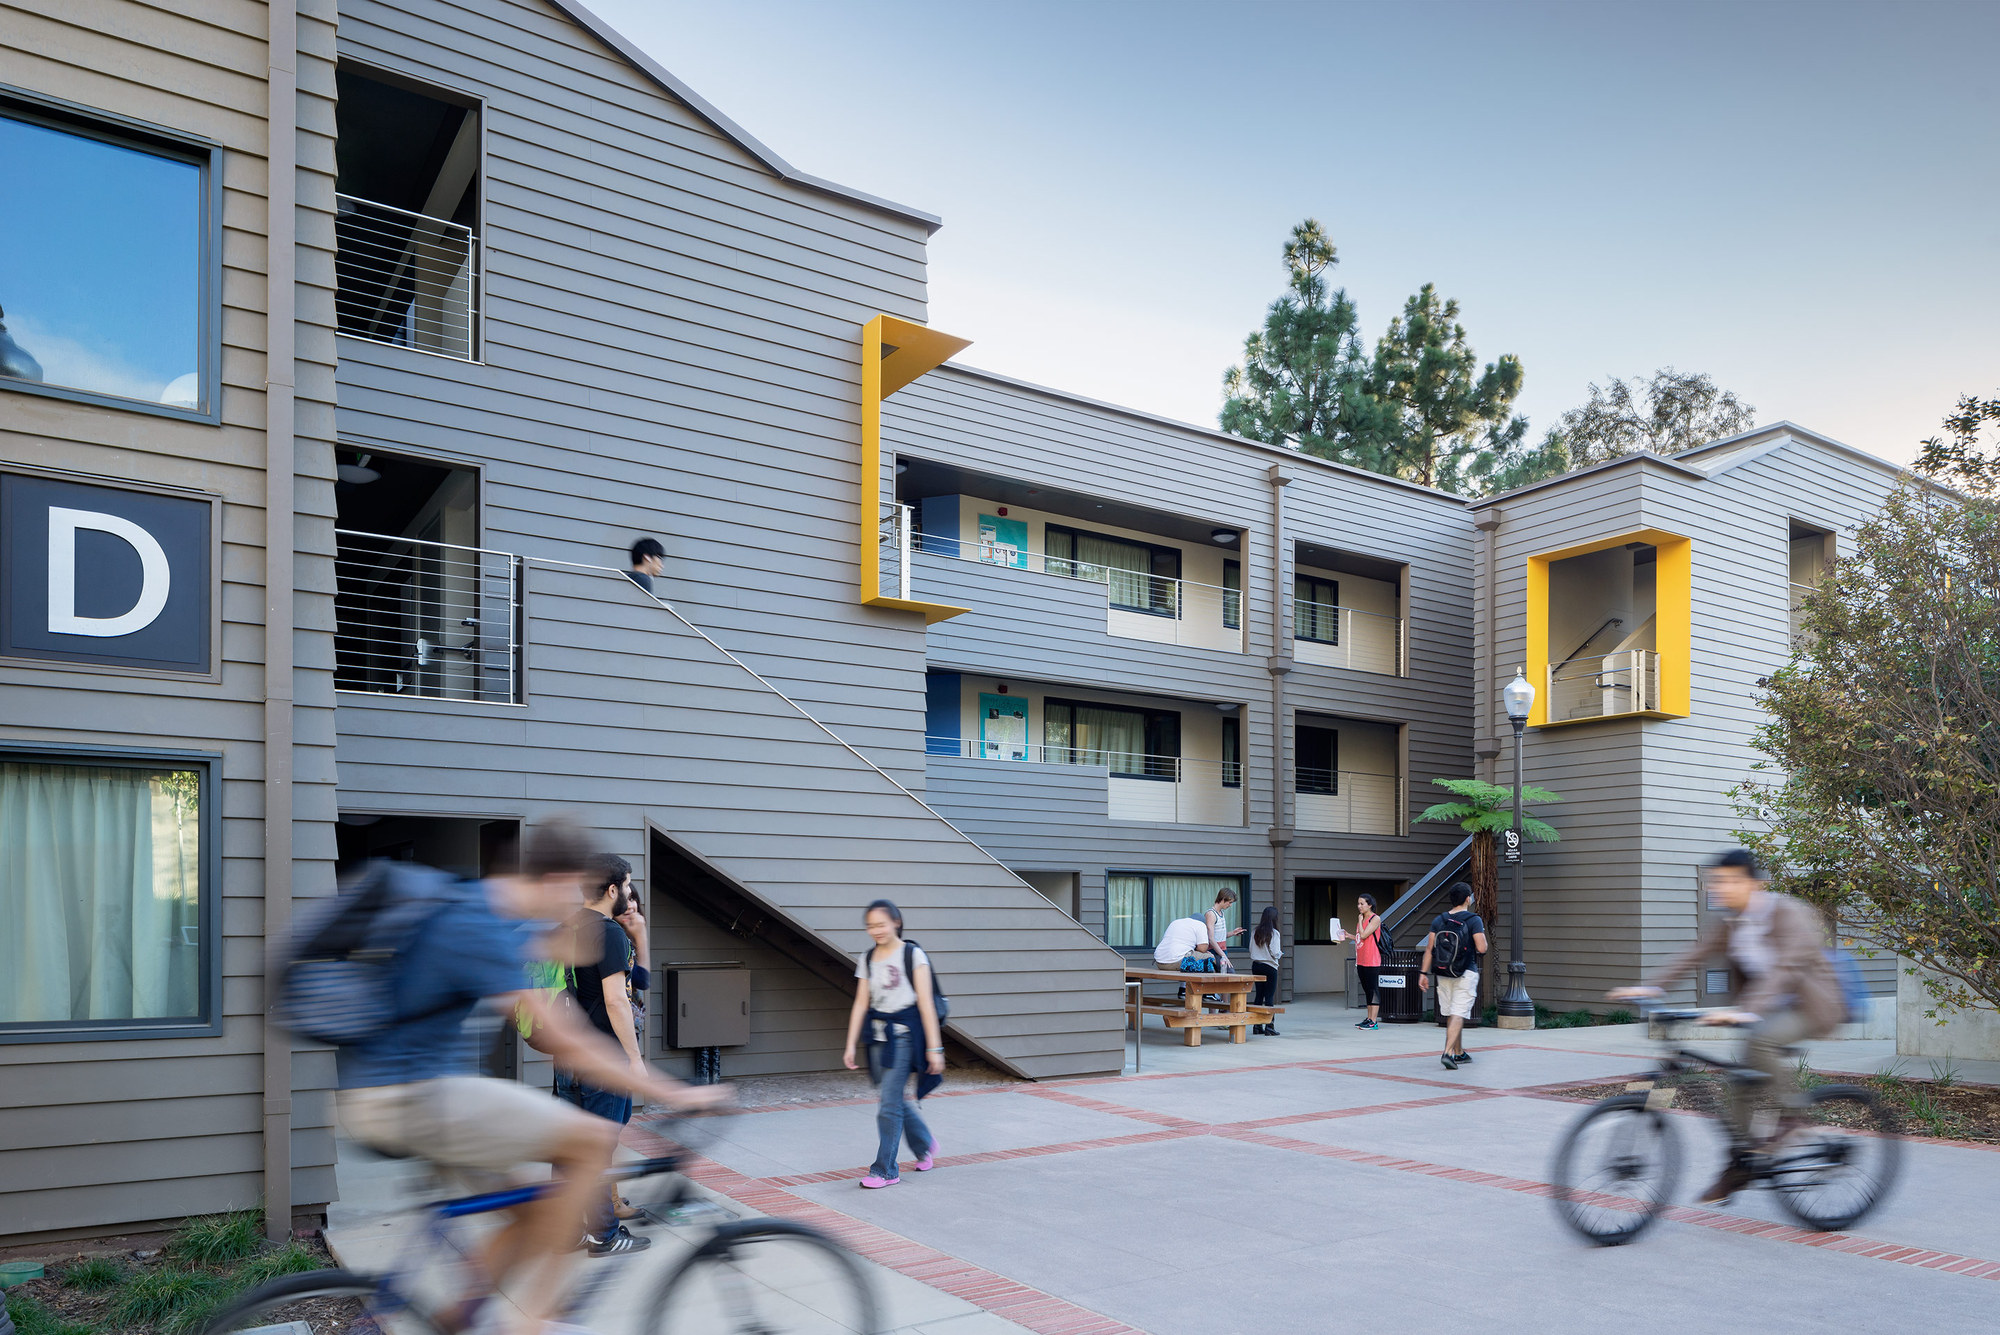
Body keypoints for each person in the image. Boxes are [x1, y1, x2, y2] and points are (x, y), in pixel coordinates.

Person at [334, 818, 728, 1335]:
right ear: (554, 879)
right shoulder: (481, 921)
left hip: (391, 1092)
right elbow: (565, 1036)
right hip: (410, 1096)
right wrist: (671, 1090)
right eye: (570, 886)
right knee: (590, 1142)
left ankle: (461, 1321)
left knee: (529, 1216)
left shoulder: (478, 908)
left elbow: (560, 971)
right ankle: (535, 1325)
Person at [1610, 848, 1845, 1204]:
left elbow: (1788, 969)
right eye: (1718, 881)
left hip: (1810, 1006)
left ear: (1757, 885)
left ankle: (1795, 1116)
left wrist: (1747, 1010)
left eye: (1733, 881)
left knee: (1761, 1042)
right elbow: (1694, 953)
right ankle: (1741, 1163)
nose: (1723, 887)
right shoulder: (1730, 923)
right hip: (1766, 1009)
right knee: (1739, 1083)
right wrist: (1652, 987)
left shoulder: (1788, 914)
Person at [553, 855, 648, 1253]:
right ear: (612, 890)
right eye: (626, 885)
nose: (628, 892)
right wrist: (636, 1058)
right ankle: (604, 1236)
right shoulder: (608, 933)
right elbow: (616, 1000)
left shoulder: (567, 926)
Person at [841, 900, 945, 1190]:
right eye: (870, 925)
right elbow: (861, 1003)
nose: (875, 930)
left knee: (888, 1105)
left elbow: (926, 1005)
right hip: (878, 1037)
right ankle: (924, 1143)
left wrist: (935, 1049)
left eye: (881, 924)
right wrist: (850, 1044)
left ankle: (885, 1170)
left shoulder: (914, 955)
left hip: (904, 1037)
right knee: (893, 1098)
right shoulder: (869, 957)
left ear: (896, 923)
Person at [1418, 883, 1487, 1070]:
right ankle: (1448, 1053)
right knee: (1459, 1012)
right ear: (1467, 899)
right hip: (1465, 971)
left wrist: (1423, 974)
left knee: (1451, 1013)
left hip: (1443, 972)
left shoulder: (1439, 920)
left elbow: (1429, 949)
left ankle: (1459, 1052)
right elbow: (1481, 948)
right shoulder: (1474, 920)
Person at [1352, 893, 1385, 1030]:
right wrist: (1348, 935)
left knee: (1373, 990)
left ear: (1369, 905)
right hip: (1361, 959)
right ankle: (1369, 1018)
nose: (1359, 906)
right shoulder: (1363, 918)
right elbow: (1360, 937)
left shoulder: (1375, 918)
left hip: (1372, 960)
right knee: (1367, 990)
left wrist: (1360, 920)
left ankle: (1374, 1021)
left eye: (1362, 904)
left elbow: (1365, 934)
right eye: (1358, 904)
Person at [1248, 905, 1283, 1036]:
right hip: (1270, 966)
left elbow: (1251, 950)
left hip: (1256, 965)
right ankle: (1269, 1026)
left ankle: (1256, 1026)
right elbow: (1275, 952)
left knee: (1259, 995)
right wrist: (1280, 954)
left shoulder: (1255, 931)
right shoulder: (1274, 933)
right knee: (1269, 996)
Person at [1204, 885, 1243, 972]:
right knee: (1230, 974)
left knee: (1223, 978)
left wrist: (1233, 933)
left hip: (1222, 951)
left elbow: (1219, 936)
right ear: (1222, 899)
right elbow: (1211, 938)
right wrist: (1223, 957)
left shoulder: (1221, 913)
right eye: (1229, 902)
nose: (1230, 905)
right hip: (1214, 952)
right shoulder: (1211, 914)